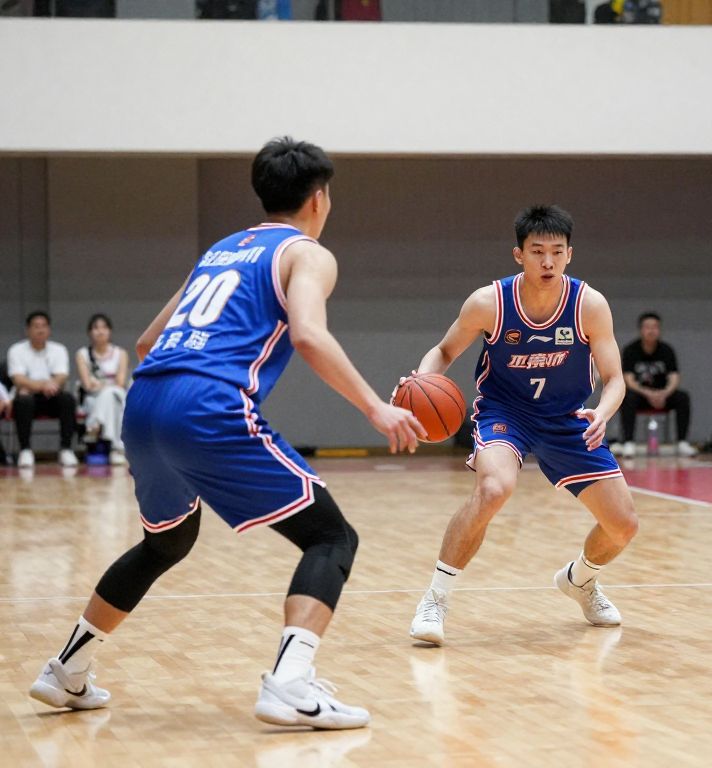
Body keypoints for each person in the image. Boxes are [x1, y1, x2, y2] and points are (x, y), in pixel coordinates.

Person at [28, 137, 425, 729]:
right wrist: (376, 408)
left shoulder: (221, 250)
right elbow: (309, 336)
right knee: (331, 538)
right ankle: (290, 685)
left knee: (166, 542)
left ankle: (66, 670)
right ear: (319, 198)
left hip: (146, 398)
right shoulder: (308, 254)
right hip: (207, 405)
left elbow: (143, 344)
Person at [407, 204, 639, 646]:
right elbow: (442, 351)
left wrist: (603, 412)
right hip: (505, 413)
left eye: (556, 252)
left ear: (570, 254)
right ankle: (435, 599)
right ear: (519, 255)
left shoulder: (589, 305)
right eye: (537, 252)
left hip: (568, 418)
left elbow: (614, 380)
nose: (547, 262)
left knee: (623, 526)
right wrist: (423, 378)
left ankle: (580, 580)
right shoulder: (489, 302)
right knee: (494, 489)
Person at [615, 311, 696, 457]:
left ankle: (682, 442)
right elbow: (628, 379)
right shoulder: (631, 350)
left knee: (683, 397)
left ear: (659, 330)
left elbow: (674, 376)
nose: (651, 330)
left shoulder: (667, 350)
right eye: (647, 327)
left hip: (662, 395)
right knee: (627, 397)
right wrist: (649, 393)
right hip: (641, 395)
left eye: (655, 327)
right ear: (641, 330)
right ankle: (628, 442)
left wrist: (664, 393)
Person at [7, 311, 78, 468]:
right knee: (23, 401)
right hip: (27, 399)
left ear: (49, 329)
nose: (40, 330)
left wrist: (44, 385)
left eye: (44, 326)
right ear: (28, 330)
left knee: (67, 399)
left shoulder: (59, 350)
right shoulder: (16, 350)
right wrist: (44, 384)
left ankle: (66, 449)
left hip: (51, 397)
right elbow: (18, 379)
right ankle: (25, 450)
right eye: (36, 326)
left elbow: (61, 376)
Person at [75, 313, 130, 465]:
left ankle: (95, 424)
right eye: (96, 328)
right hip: (92, 398)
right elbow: (87, 385)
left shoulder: (121, 353)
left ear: (110, 331)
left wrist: (100, 383)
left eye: (104, 327)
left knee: (112, 395)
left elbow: (120, 383)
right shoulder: (82, 354)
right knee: (111, 401)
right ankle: (116, 449)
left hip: (117, 394)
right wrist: (106, 384)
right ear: (89, 332)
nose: (100, 331)